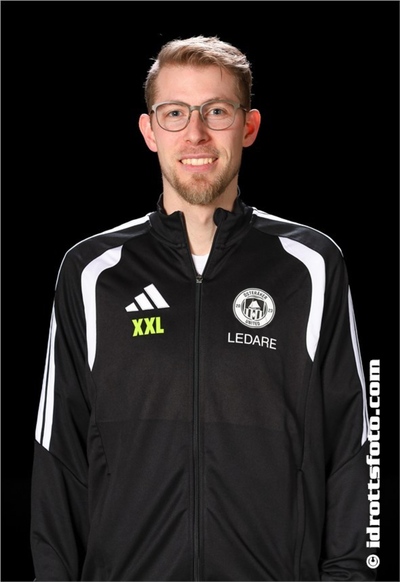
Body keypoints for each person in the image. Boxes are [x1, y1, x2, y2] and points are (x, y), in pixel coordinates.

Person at [30, 35, 376, 581]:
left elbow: (357, 444)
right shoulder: (93, 272)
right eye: (174, 113)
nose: (195, 133)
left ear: (249, 126)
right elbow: (58, 454)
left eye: (216, 111)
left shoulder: (311, 266)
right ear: (149, 131)